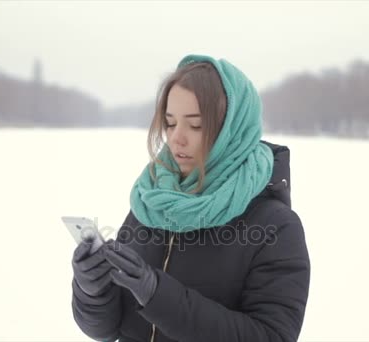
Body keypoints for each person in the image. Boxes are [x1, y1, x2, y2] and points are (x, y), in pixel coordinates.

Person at [71, 54, 310, 342]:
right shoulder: (153, 201)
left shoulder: (275, 226)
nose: (176, 138)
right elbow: (107, 330)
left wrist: (159, 296)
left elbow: (272, 336)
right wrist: (93, 292)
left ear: (230, 131)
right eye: (170, 123)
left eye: (195, 125)